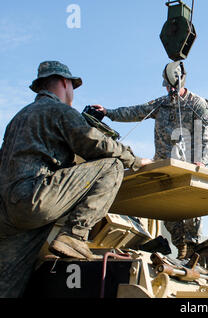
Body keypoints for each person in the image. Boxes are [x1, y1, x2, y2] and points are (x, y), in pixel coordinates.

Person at [0, 61, 152, 297]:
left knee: (9, 283)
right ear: (64, 82)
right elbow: (94, 143)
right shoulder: (57, 110)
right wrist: (134, 160)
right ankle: (74, 236)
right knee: (112, 165)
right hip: (36, 198)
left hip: (9, 211)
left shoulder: (18, 119)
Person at [92, 62, 208, 260]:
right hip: (165, 165)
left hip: (188, 165)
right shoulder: (161, 103)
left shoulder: (197, 103)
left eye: (171, 86)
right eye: (166, 86)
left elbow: (207, 133)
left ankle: (192, 248)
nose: (169, 90)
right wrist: (108, 112)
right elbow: (135, 111)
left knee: (190, 208)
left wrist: (202, 161)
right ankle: (181, 247)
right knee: (168, 208)